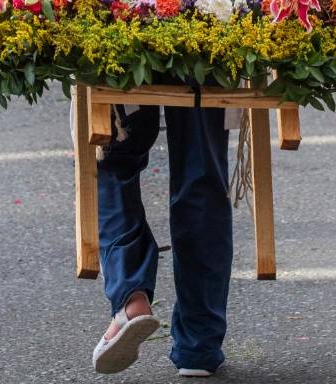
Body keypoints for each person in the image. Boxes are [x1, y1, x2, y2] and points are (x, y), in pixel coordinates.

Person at [91, 101, 233, 377]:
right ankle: (199, 344)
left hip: (125, 61)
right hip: (207, 63)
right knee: (201, 170)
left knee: (114, 156)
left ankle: (130, 297)